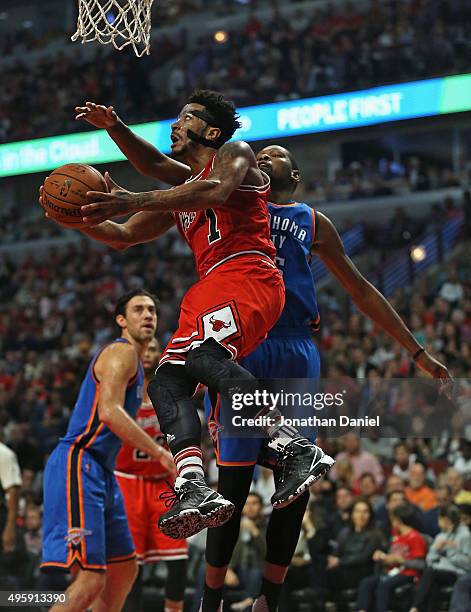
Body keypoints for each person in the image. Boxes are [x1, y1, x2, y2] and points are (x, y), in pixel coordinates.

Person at [41, 91, 335, 542]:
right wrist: (80, 215)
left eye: (185, 119)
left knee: (199, 356)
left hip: (248, 273)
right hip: (211, 286)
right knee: (168, 380)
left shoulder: (235, 156)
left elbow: (211, 189)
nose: (175, 127)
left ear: (211, 132)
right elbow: (121, 235)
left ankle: (293, 446)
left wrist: (128, 196)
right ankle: (193, 485)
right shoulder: (179, 190)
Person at [200, 144, 451, 612]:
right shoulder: (233, 199)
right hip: (246, 343)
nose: (262, 157)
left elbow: (360, 288)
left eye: (273, 154)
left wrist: (415, 350)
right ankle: (210, 598)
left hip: (296, 349)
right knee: (231, 489)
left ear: (294, 173)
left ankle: (267, 600)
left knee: (297, 483)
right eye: (258, 154)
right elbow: (175, 175)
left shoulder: (313, 222)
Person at [40, 290, 174, 612]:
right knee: (91, 580)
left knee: (125, 568)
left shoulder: (138, 366)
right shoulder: (121, 352)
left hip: (101, 469)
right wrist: (158, 453)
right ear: (121, 320)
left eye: (152, 310)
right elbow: (109, 412)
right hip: (79, 460)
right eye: (138, 309)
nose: (148, 315)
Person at [115, 337, 188, 612]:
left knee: (177, 556)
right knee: (132, 562)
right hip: (128, 482)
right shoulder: (119, 390)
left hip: (164, 482)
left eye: (154, 349)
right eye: (143, 349)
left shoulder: (171, 391)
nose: (148, 353)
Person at [356, 504, 427, 612]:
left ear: (398, 520)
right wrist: (383, 558)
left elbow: (421, 564)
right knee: (366, 582)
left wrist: (401, 560)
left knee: (384, 584)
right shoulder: (396, 537)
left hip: (408, 574)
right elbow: (392, 557)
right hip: (391, 571)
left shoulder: (415, 537)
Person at [409, 505, 471, 612]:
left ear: (446, 520)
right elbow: (429, 560)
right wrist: (437, 549)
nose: (438, 521)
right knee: (433, 586)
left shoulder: (465, 535)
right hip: (439, 571)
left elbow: (467, 564)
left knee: (431, 573)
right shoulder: (441, 536)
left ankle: (415, 607)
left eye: (439, 519)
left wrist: (451, 552)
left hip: (457, 572)